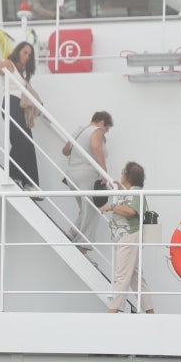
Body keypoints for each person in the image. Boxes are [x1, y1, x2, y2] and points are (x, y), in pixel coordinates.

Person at [0, 42, 42, 188]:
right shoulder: (9, 64)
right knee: (21, 140)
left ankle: (30, 183)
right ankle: (13, 175)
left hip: (20, 108)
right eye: (25, 52)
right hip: (11, 103)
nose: (27, 56)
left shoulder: (23, 73)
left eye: (29, 55)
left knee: (28, 143)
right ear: (18, 52)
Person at [106, 162, 153, 314]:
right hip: (127, 236)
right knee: (135, 276)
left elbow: (131, 211)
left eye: (122, 172)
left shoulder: (136, 192)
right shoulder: (132, 191)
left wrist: (111, 207)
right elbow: (129, 202)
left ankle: (114, 310)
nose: (121, 174)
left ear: (128, 174)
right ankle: (149, 311)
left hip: (129, 236)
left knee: (121, 274)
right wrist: (119, 187)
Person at [62, 110, 115, 243]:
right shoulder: (96, 130)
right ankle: (83, 245)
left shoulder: (80, 130)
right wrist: (104, 172)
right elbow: (96, 147)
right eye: (106, 129)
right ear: (102, 122)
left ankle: (71, 234)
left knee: (85, 210)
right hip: (86, 174)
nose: (105, 132)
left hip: (71, 175)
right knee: (92, 210)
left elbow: (65, 151)